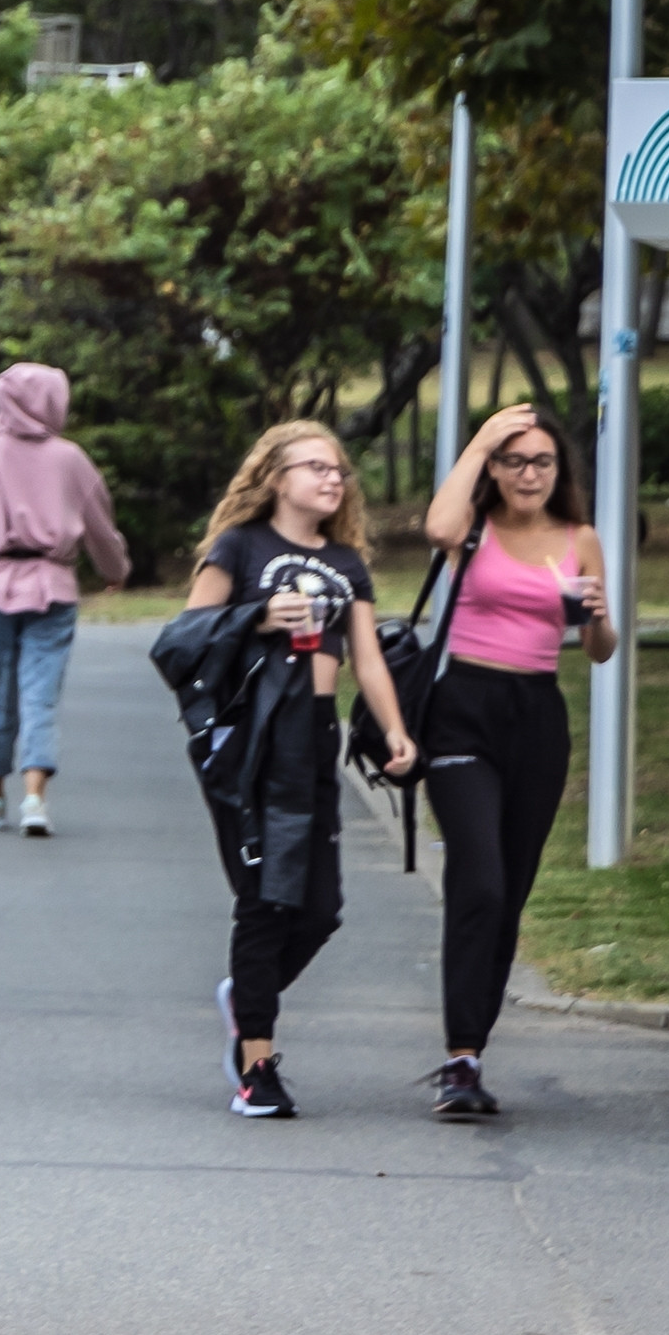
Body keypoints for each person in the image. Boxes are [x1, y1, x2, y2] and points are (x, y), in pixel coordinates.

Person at [175, 421, 418, 1118]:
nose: (331, 477)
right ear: (277, 479)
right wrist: (258, 615)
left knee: (320, 910)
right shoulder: (239, 546)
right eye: (314, 466)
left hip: (315, 732)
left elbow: (366, 656)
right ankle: (257, 1068)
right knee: (265, 897)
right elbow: (185, 636)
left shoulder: (347, 561)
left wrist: (395, 729)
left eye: (337, 468)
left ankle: (246, 995)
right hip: (255, 734)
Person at [415, 404, 616, 1119]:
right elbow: (436, 528)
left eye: (542, 462)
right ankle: (458, 1058)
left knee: (511, 890)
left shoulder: (580, 538)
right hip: (463, 706)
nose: (529, 474)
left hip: (537, 714)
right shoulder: (471, 528)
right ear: (495, 469)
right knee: (481, 880)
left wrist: (597, 613)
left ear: (560, 470)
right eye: (515, 460)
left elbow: (602, 650)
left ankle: (471, 1052)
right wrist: (480, 441)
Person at [0, 361, 129, 837]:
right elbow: (100, 527)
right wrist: (114, 571)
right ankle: (35, 799)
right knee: (41, 693)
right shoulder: (71, 460)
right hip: (53, 585)